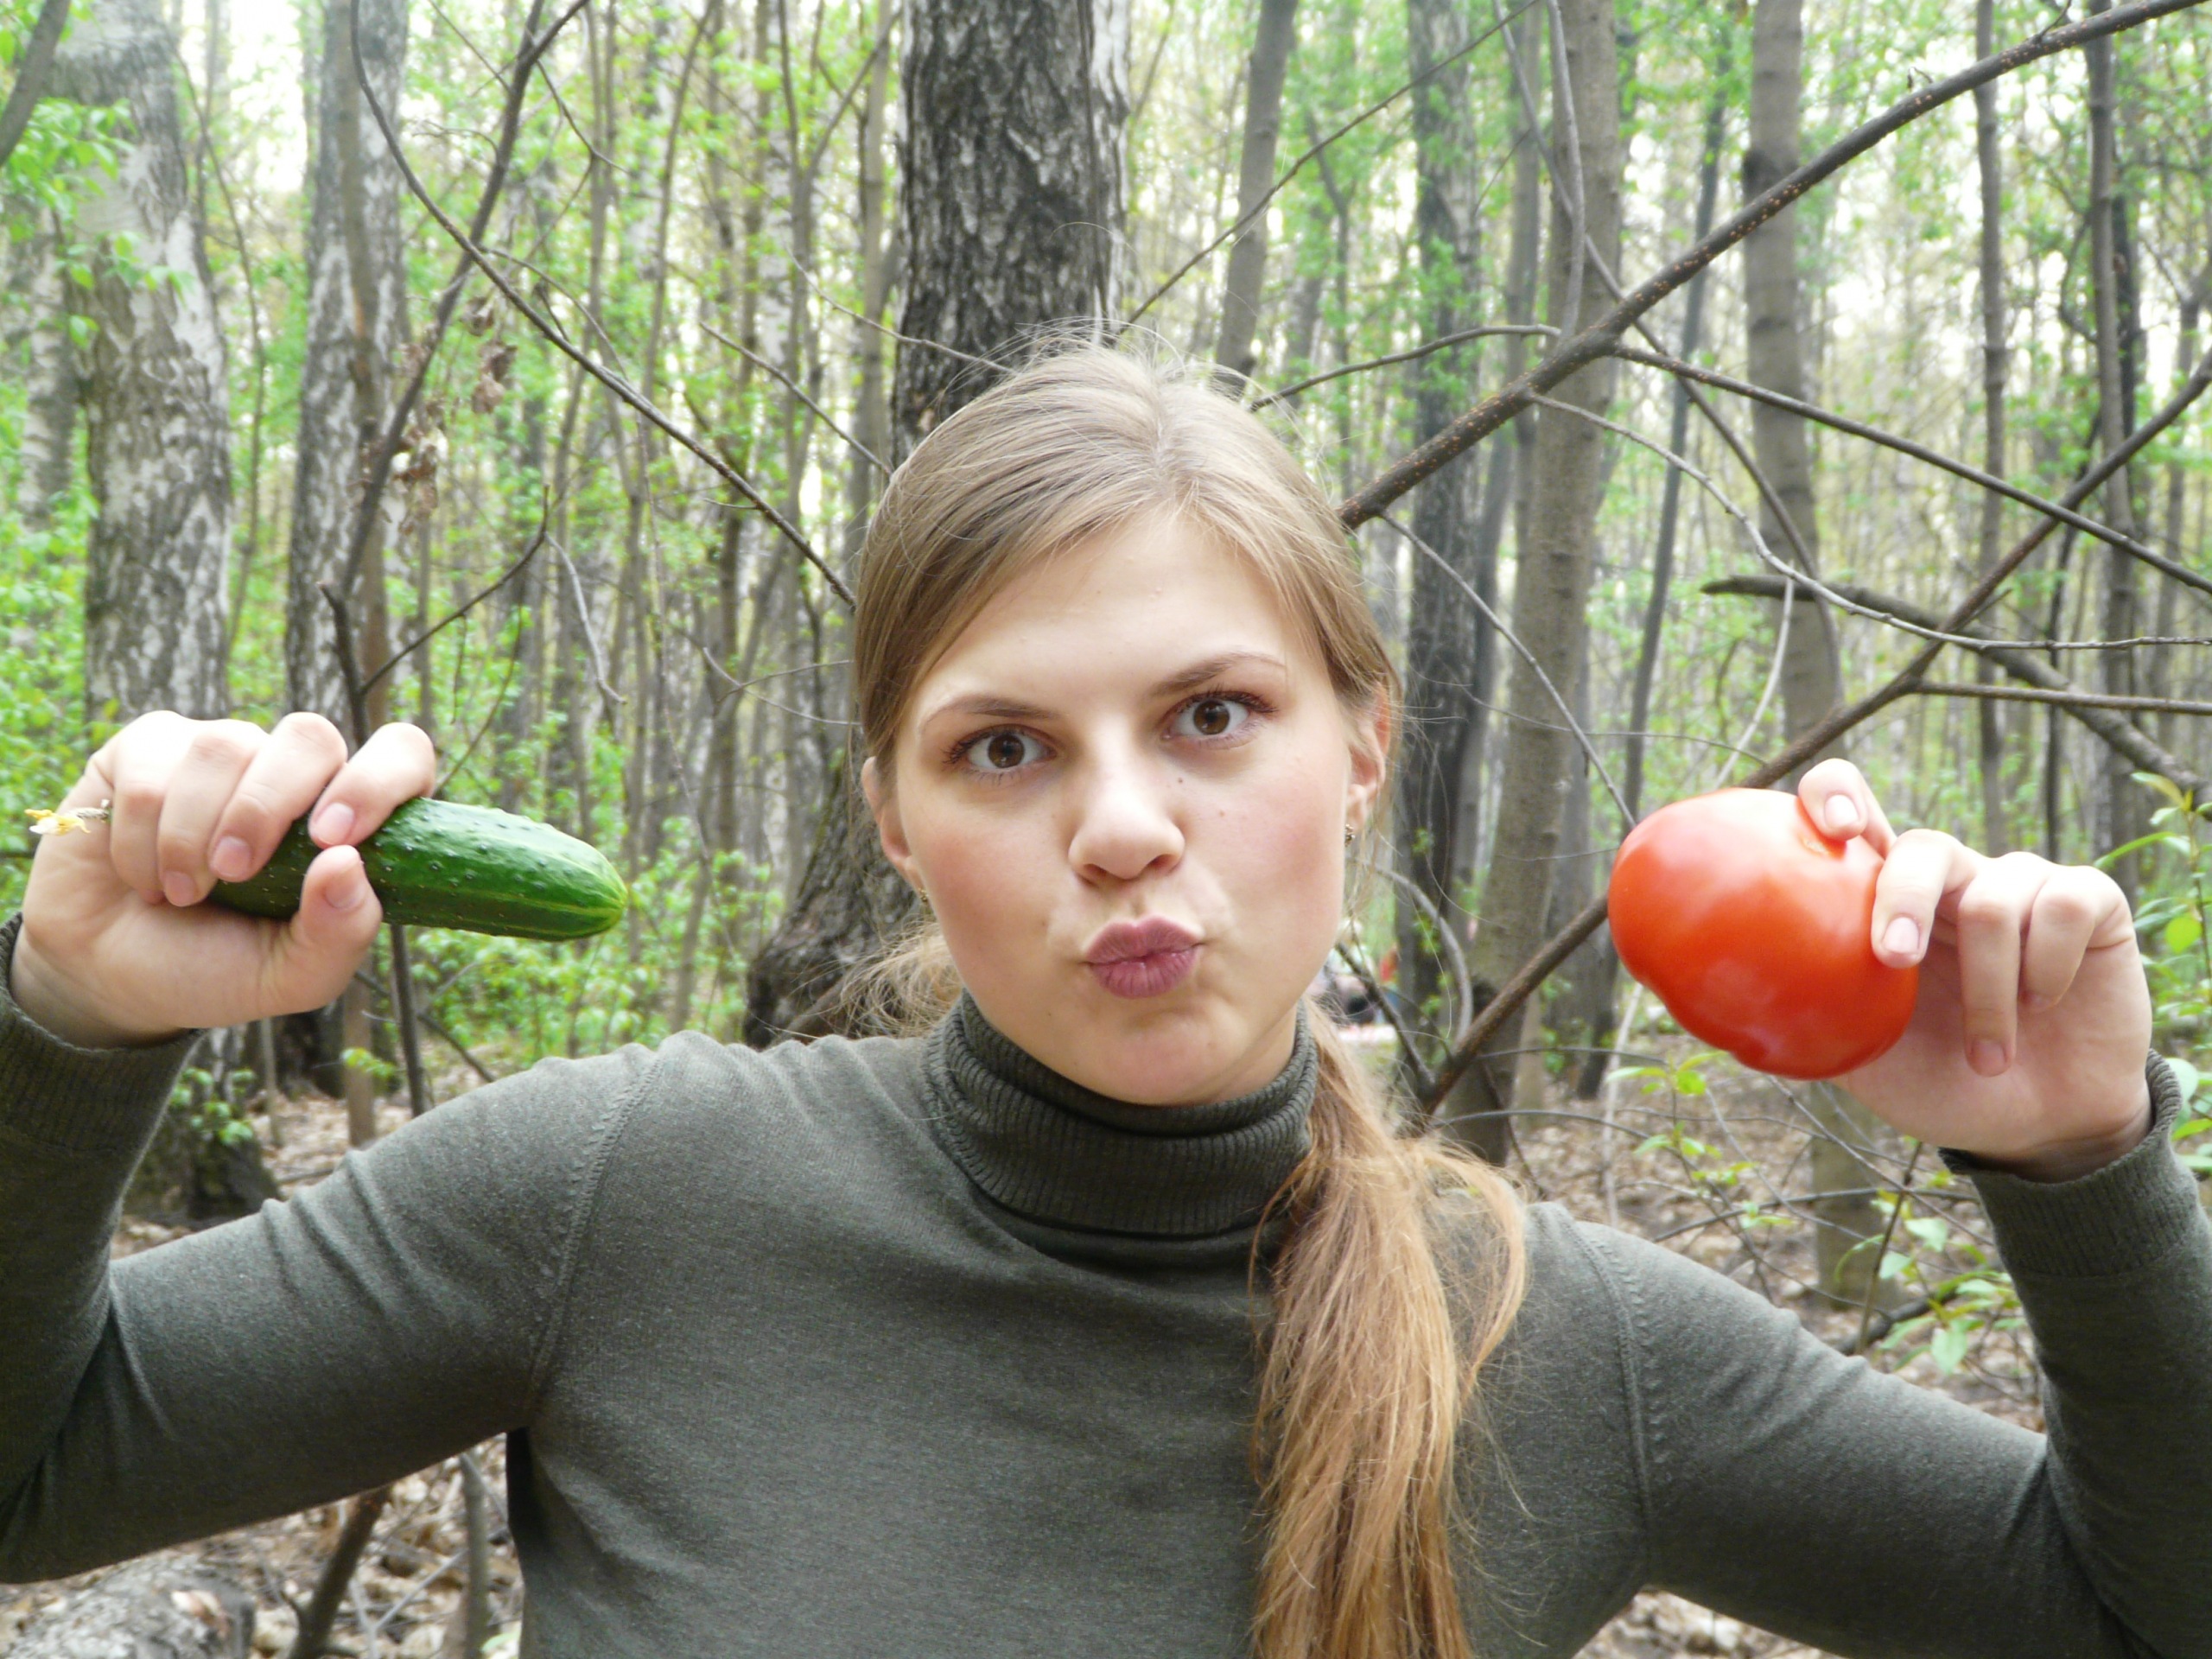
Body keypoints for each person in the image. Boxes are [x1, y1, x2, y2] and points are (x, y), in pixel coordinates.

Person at [1, 347, 2205, 1659]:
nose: (1124, 827)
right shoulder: (619, 1193)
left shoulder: (1571, 1350)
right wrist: (72, 1027)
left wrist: (2076, 1164)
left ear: (1361, 748)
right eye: (1004, 747)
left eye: (1212, 715)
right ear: (895, 816)